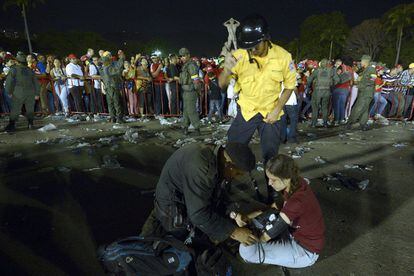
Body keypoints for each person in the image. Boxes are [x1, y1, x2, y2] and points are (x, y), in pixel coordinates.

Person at [218, 14, 297, 202]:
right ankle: (222, 187)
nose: (252, 50)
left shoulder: (283, 57)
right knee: (230, 153)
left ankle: (273, 194)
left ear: (266, 39)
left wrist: (278, 108)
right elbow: (221, 84)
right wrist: (227, 70)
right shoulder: (239, 56)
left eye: (256, 46)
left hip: (271, 113)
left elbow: (289, 85)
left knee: (271, 158)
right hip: (247, 112)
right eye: (249, 47)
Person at [141, 142, 259, 247]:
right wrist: (234, 232)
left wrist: (234, 214)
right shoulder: (204, 169)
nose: (235, 177)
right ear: (229, 165)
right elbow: (198, 214)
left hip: (185, 191)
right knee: (176, 242)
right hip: (171, 199)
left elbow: (220, 195)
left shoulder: (216, 156)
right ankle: (138, 254)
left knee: (211, 220)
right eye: (237, 173)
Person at [237, 154, 325, 268]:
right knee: (260, 222)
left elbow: (265, 237)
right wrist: (249, 217)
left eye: (273, 180)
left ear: (287, 177)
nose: (269, 183)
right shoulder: (296, 182)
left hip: (305, 251)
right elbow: (275, 206)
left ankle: (279, 256)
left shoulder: (297, 201)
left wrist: (245, 234)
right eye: (268, 178)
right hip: (294, 234)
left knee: (247, 253)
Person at [3, 52, 40, 132]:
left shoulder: (13, 69)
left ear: (17, 61)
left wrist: (8, 92)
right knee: (30, 109)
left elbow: (9, 82)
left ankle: (12, 125)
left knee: (15, 109)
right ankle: (30, 124)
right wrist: (37, 93)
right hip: (30, 91)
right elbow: (36, 83)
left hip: (18, 91)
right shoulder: (30, 70)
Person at [347, 55, 376, 131]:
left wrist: (361, 84)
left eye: (361, 61)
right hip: (363, 92)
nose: (360, 62)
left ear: (365, 61)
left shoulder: (371, 69)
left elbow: (373, 80)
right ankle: (363, 124)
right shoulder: (364, 70)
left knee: (358, 108)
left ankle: (350, 122)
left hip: (367, 93)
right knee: (365, 109)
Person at [306, 58, 338, 127]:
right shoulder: (331, 71)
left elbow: (309, 80)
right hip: (327, 91)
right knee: (325, 107)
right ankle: (325, 123)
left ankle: (314, 123)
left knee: (315, 107)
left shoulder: (317, 71)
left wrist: (308, 87)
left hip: (317, 91)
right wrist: (331, 85)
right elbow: (337, 80)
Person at [179, 47, 202, 135]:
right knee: (186, 110)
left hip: (191, 91)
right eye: (181, 56)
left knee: (191, 110)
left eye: (184, 56)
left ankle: (197, 128)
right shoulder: (186, 65)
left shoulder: (191, 65)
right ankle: (185, 127)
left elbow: (195, 79)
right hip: (186, 91)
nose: (182, 58)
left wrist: (198, 90)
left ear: (188, 55)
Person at [99, 50, 125, 123]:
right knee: (116, 103)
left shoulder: (102, 68)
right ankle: (119, 118)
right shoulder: (108, 68)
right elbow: (118, 70)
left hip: (107, 87)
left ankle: (112, 118)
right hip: (112, 87)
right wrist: (122, 58)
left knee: (110, 103)